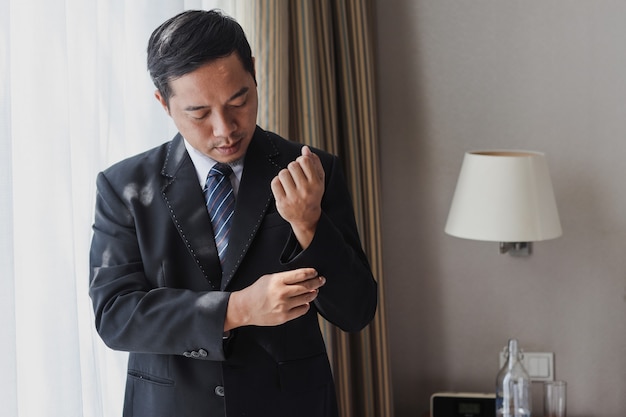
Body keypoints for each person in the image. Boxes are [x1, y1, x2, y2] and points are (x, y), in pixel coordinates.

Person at [89, 9, 377, 417]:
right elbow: (115, 316)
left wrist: (309, 223)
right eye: (199, 113)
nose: (225, 129)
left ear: (255, 74)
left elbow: (357, 310)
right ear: (164, 104)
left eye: (238, 100)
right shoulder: (124, 188)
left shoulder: (312, 168)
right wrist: (238, 308)